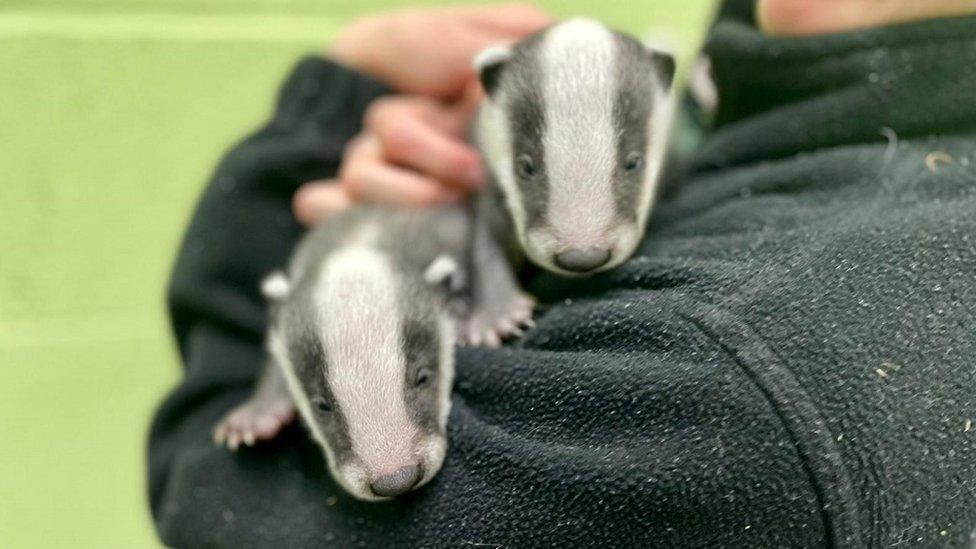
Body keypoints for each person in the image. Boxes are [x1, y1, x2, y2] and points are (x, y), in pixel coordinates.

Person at [149, 0, 976, 546]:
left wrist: (322, 121)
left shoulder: (720, 377)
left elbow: (220, 498)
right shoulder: (829, 160)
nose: (581, 245)